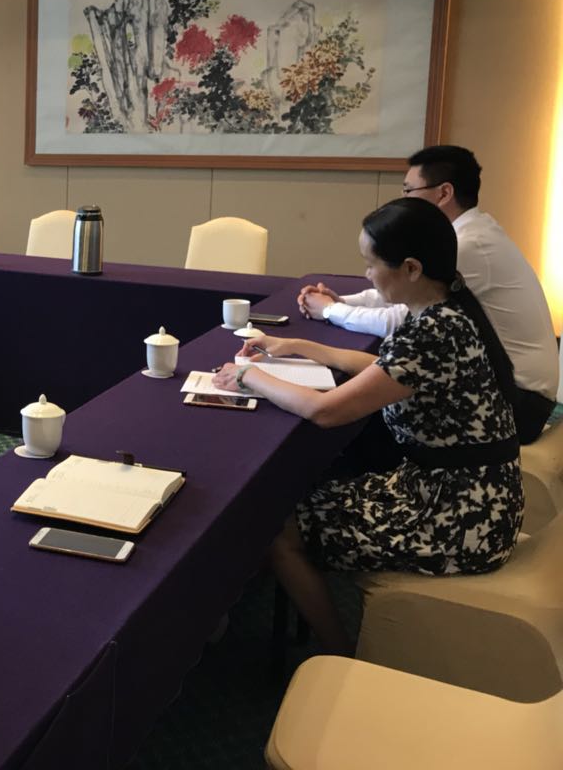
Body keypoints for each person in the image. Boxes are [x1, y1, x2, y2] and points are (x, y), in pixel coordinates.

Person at [213, 197, 523, 655]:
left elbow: (326, 411)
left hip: (458, 517)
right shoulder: (447, 310)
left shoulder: (432, 331)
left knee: (278, 529)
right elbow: (384, 370)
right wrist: (296, 346)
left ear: (411, 268)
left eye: (372, 264)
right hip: (465, 493)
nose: (367, 276)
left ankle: (342, 652)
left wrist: (248, 376)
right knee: (288, 499)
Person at [298, 145, 558, 444]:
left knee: (360, 423)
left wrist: (329, 311)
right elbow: (404, 291)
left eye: (409, 190)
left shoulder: (467, 246)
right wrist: (342, 302)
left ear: (444, 193)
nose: (403, 198)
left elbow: (397, 320)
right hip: (506, 387)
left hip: (519, 402)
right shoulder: (470, 233)